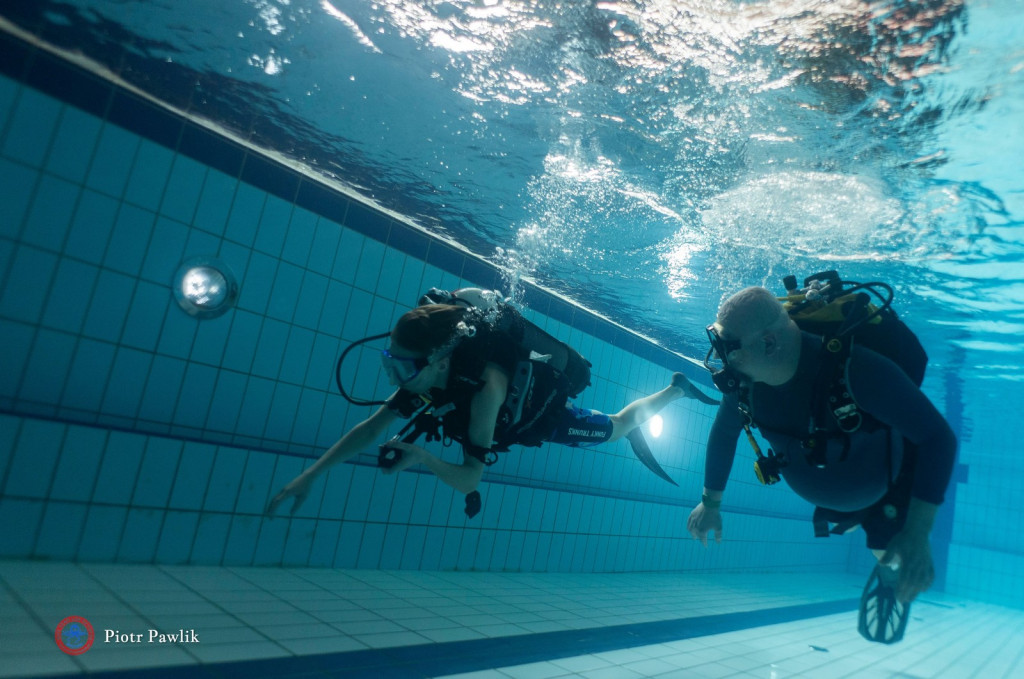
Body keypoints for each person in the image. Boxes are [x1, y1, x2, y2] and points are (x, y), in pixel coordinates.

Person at [268, 288, 715, 517]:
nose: (395, 380)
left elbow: (470, 479)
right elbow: (370, 428)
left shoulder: (487, 391)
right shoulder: (431, 370)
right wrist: (311, 475)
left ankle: (675, 389)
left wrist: (422, 456)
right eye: (391, 363)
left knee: (617, 427)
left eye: (403, 369)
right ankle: (672, 391)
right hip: (486, 408)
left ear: (439, 361)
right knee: (615, 427)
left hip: (544, 418)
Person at [687, 286, 957, 637]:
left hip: (883, 489)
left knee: (887, 551)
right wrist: (710, 503)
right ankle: (866, 537)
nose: (722, 360)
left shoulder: (856, 371)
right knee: (867, 533)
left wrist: (919, 532)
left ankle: (889, 579)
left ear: (769, 344)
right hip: (832, 485)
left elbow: (938, 438)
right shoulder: (745, 386)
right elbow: (725, 433)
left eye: (729, 348)